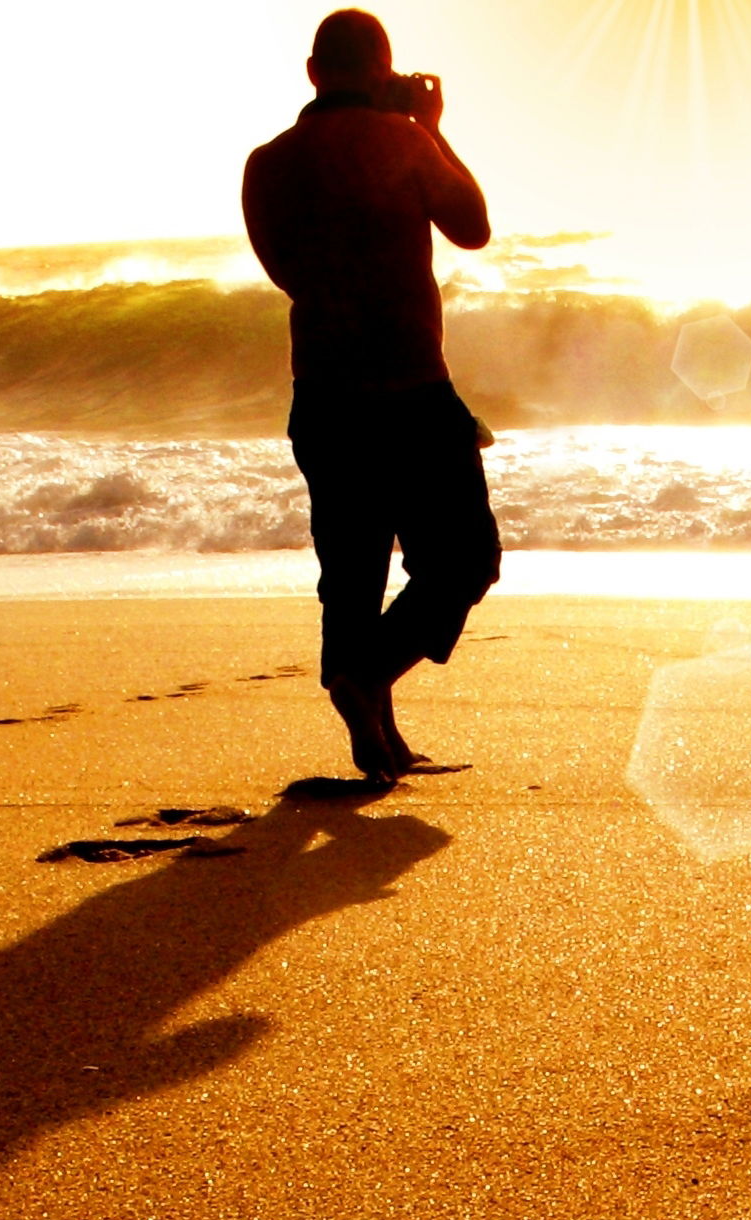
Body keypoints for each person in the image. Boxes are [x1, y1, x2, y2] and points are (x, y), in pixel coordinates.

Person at [244, 9, 501, 781]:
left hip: (323, 395)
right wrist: (429, 125)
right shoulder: (406, 142)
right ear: (383, 72)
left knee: (351, 571)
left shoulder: (268, 162)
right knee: (464, 561)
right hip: (412, 391)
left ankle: (376, 733)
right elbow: (474, 227)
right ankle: (372, 678)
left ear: (314, 72)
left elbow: (285, 270)